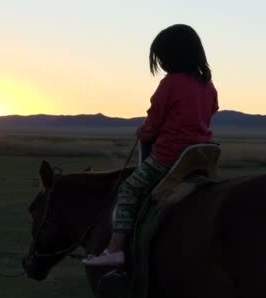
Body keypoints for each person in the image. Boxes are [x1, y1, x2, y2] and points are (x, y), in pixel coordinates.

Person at [83, 24, 219, 266]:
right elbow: (212, 111)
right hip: (199, 156)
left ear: (172, 55)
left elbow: (154, 120)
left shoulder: (171, 83)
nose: (161, 63)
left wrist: (143, 132)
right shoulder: (208, 86)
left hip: (170, 155)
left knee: (129, 190)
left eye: (162, 57)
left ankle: (114, 249)